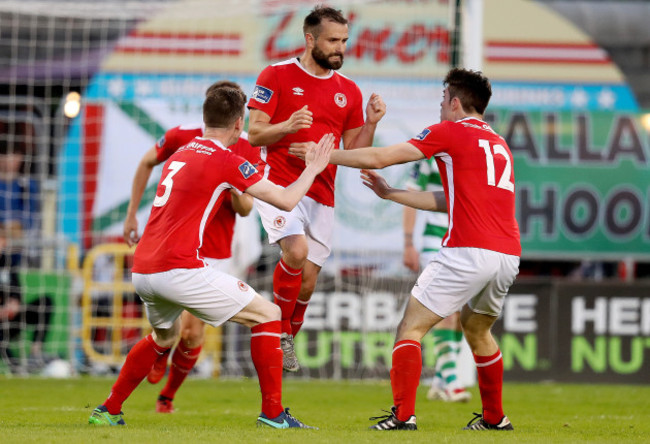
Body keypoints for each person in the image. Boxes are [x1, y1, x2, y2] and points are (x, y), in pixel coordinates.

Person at [88, 86, 335, 428]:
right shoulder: (227, 160)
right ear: (238, 124)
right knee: (269, 315)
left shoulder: (179, 151)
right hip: (179, 269)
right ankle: (274, 415)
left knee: (165, 337)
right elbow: (286, 200)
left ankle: (109, 409)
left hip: (143, 269)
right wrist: (313, 167)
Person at [290, 68, 520, 431]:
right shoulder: (498, 143)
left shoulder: (449, 131)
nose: (440, 108)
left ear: (456, 103)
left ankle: (402, 416)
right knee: (478, 331)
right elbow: (453, 199)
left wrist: (324, 156)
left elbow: (380, 157)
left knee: (410, 328)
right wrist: (390, 194)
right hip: (507, 255)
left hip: (467, 250)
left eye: (443, 101)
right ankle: (495, 419)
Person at [247, 5, 386, 372]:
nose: (341, 48)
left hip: (322, 193)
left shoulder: (348, 91)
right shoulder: (275, 75)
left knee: (307, 282)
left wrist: (370, 123)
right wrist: (288, 126)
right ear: (310, 40)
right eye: (333, 41)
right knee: (296, 249)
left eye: (344, 41)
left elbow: (355, 151)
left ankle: (288, 334)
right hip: (277, 183)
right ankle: (276, 330)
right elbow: (255, 132)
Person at [122, 80, 259, 414]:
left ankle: (167, 395)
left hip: (215, 250)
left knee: (194, 333)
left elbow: (245, 209)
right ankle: (160, 356)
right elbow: (146, 162)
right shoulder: (182, 136)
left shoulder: (245, 148)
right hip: (175, 249)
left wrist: (228, 185)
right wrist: (131, 215)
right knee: (181, 327)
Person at [403, 159, 471, 403]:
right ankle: (452, 381)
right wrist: (408, 242)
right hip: (435, 242)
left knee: (461, 315)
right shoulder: (431, 155)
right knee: (446, 313)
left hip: (465, 241)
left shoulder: (472, 152)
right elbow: (411, 196)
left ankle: (440, 381)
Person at [0, 148, 52, 373]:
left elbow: (16, 293)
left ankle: (36, 353)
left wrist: (13, 304)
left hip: (9, 320)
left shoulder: (9, 261)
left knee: (45, 302)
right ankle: (14, 366)